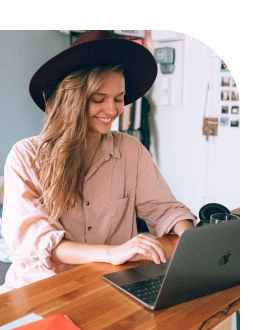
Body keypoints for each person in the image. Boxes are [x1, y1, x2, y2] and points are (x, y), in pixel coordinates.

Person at [0, 30, 197, 294]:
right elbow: (38, 242)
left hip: (108, 285)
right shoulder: (25, 156)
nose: (113, 110)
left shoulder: (131, 150)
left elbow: (165, 209)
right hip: (40, 288)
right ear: (72, 98)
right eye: (98, 99)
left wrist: (192, 241)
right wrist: (113, 252)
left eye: (118, 99)